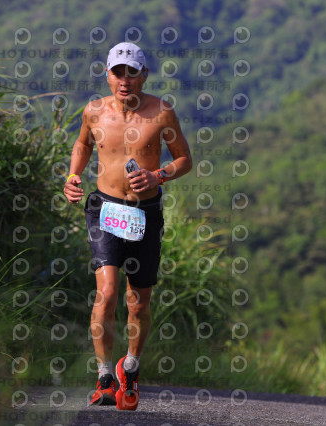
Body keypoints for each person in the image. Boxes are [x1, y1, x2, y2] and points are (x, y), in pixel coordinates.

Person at [63, 42, 192, 411]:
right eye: (117, 72)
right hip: (104, 209)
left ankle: (130, 368)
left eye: (131, 72)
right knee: (106, 293)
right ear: (107, 74)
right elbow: (82, 145)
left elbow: (184, 159)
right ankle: (105, 377)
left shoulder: (162, 113)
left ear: (144, 75)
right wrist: (72, 176)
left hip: (145, 212)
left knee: (138, 303)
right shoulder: (94, 111)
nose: (124, 80)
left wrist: (157, 175)